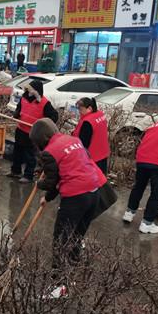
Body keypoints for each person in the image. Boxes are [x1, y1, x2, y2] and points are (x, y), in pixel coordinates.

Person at [30, 118, 105, 299]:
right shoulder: (74, 140)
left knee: (61, 240)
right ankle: (71, 277)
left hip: (75, 197)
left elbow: (52, 182)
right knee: (76, 237)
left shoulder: (49, 152)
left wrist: (39, 184)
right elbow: (69, 172)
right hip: (94, 192)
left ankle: (59, 285)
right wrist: (47, 198)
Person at [8, 80, 58, 183]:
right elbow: (19, 108)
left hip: (33, 133)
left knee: (30, 155)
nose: (29, 91)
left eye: (31, 89)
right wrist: (16, 114)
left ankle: (28, 175)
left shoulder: (44, 103)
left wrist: (42, 125)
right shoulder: (24, 98)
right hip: (21, 129)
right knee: (17, 152)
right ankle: (15, 171)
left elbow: (54, 116)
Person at [72, 97, 110, 175]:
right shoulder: (100, 114)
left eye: (81, 110)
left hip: (92, 157)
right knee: (101, 179)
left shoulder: (87, 122)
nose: (79, 112)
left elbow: (83, 143)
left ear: (89, 108)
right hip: (103, 154)